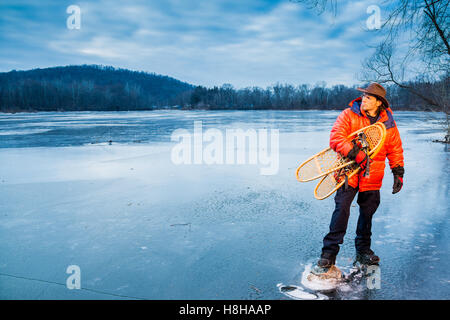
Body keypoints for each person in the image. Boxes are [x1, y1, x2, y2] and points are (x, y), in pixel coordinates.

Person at [312, 82, 404, 275]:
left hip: (373, 175)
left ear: (379, 102)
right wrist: (356, 153)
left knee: (367, 214)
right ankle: (328, 254)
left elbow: (394, 148)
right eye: (363, 96)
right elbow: (336, 137)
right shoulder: (349, 114)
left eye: (369, 97)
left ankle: (363, 251)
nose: (364, 99)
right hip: (348, 173)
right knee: (341, 211)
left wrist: (398, 172)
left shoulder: (388, 122)